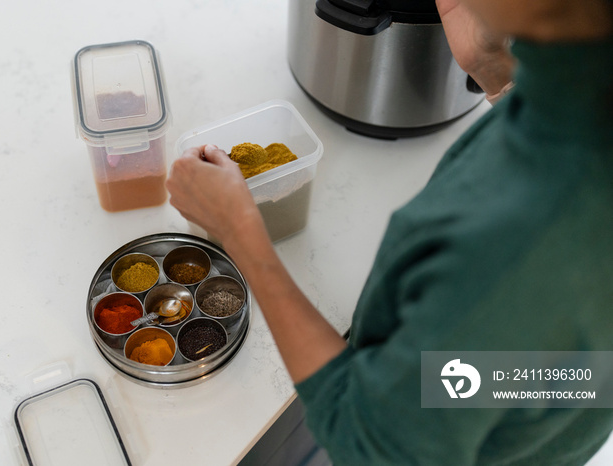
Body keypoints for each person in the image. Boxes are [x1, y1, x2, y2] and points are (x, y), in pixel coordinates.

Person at [167, 0, 613, 463]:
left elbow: (369, 445)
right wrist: (495, 71)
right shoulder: (579, 89)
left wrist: (240, 230)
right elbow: (529, 376)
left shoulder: (520, 252)